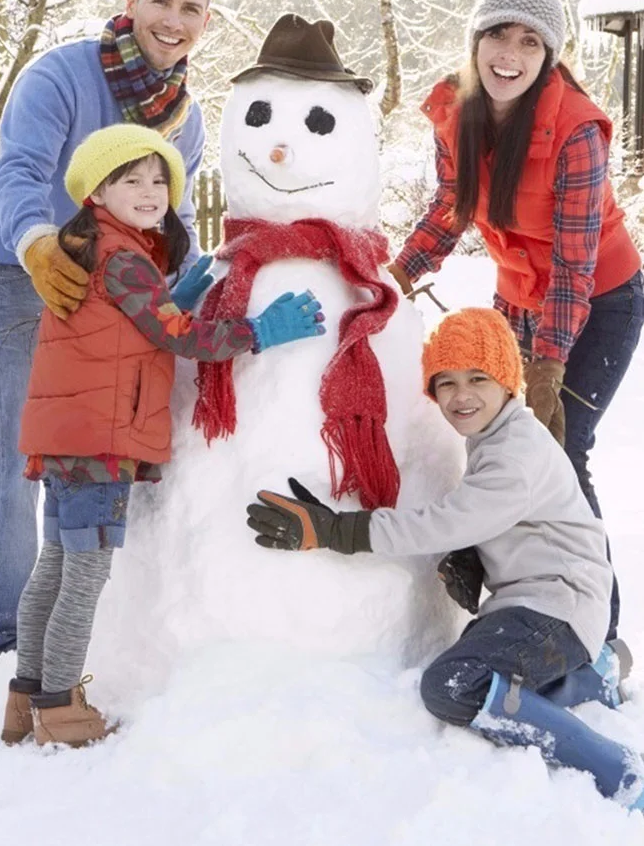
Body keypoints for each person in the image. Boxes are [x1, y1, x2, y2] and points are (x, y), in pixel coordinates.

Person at [0, 124, 326, 747]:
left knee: (54, 569)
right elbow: (178, 338)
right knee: (84, 578)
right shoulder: (124, 257)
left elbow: (123, 327)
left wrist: (174, 293)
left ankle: (25, 702)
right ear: (97, 190)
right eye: (132, 180)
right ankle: (62, 710)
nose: (151, 192)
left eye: (160, 180)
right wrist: (262, 331)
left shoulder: (97, 248)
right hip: (102, 441)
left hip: (67, 435)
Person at [246, 307, 643, 811]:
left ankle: (621, 772)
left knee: (454, 685)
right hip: (542, 604)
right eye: (446, 382)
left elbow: (448, 519)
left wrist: (335, 530)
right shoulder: (495, 437)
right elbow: (490, 517)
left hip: (557, 607)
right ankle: (592, 677)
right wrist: (475, 554)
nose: (461, 396)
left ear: (507, 383)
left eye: (478, 378)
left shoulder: (514, 450)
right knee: (490, 676)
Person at [0, 0, 213, 653]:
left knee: (82, 446)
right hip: (18, 262)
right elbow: (19, 170)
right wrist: (39, 245)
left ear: (205, 22)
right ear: (131, 1)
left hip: (110, 285)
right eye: (161, 2)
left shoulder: (185, 123)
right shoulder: (62, 76)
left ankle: (59, 629)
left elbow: (167, 221)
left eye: (190, 9)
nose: (173, 20)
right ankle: (0, 629)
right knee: (20, 445)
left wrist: (197, 286)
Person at [387, 0, 643, 642]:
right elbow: (449, 210)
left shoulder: (575, 130)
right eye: (499, 34)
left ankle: (599, 631)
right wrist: (391, 278)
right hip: (518, 294)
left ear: (548, 56)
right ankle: (493, 559)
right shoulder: (455, 113)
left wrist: (549, 366)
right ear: (475, 40)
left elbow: (575, 261)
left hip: (602, 298)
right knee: (494, 437)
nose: (511, 54)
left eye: (531, 42)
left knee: (562, 448)